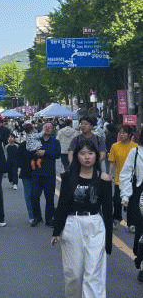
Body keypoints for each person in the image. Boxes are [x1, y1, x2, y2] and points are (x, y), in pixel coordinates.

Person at [52, 137, 112, 298]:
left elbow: (108, 210)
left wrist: (108, 241)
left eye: (90, 153)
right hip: (73, 224)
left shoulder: (104, 179)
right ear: (76, 156)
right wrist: (56, 231)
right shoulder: (68, 177)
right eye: (83, 153)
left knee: (93, 274)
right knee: (74, 274)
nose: (87, 157)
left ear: (96, 155)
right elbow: (62, 205)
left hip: (95, 225)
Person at [118, 131, 143, 277]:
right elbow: (126, 174)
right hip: (140, 196)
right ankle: (141, 261)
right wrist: (125, 195)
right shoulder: (136, 152)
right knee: (141, 230)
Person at [30, 122, 61, 227]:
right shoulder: (36, 141)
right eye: (45, 127)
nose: (47, 129)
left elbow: (57, 154)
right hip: (36, 173)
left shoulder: (55, 142)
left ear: (53, 130)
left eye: (50, 127)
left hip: (49, 173)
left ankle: (49, 219)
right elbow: (29, 152)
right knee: (34, 196)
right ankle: (37, 217)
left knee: (49, 197)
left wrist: (45, 152)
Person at [109, 126, 136, 231]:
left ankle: (131, 223)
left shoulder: (135, 147)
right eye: (120, 133)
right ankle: (116, 219)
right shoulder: (115, 146)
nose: (121, 135)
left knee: (132, 202)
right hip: (119, 179)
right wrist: (110, 175)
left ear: (129, 134)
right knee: (117, 201)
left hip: (132, 179)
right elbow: (112, 162)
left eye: (124, 133)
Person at [18, 127, 35, 224]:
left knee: (33, 195)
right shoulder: (22, 146)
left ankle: (34, 215)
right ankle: (32, 216)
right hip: (27, 173)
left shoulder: (38, 145)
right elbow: (18, 159)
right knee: (29, 195)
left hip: (35, 173)